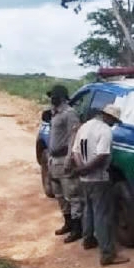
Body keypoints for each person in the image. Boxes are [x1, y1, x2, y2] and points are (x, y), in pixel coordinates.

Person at [71, 103, 130, 266]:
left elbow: (75, 151)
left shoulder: (85, 127)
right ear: (108, 117)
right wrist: (86, 169)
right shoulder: (105, 131)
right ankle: (107, 254)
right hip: (98, 178)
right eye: (114, 120)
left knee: (88, 209)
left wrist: (81, 168)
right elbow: (102, 156)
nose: (113, 124)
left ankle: (88, 239)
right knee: (102, 215)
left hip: (84, 178)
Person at [46, 85, 84, 243]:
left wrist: (70, 158)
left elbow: (73, 137)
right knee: (59, 194)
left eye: (54, 96)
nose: (51, 99)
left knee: (73, 195)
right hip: (54, 159)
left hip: (64, 159)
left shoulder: (69, 114)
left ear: (61, 97)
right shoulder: (55, 113)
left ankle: (77, 229)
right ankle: (68, 223)